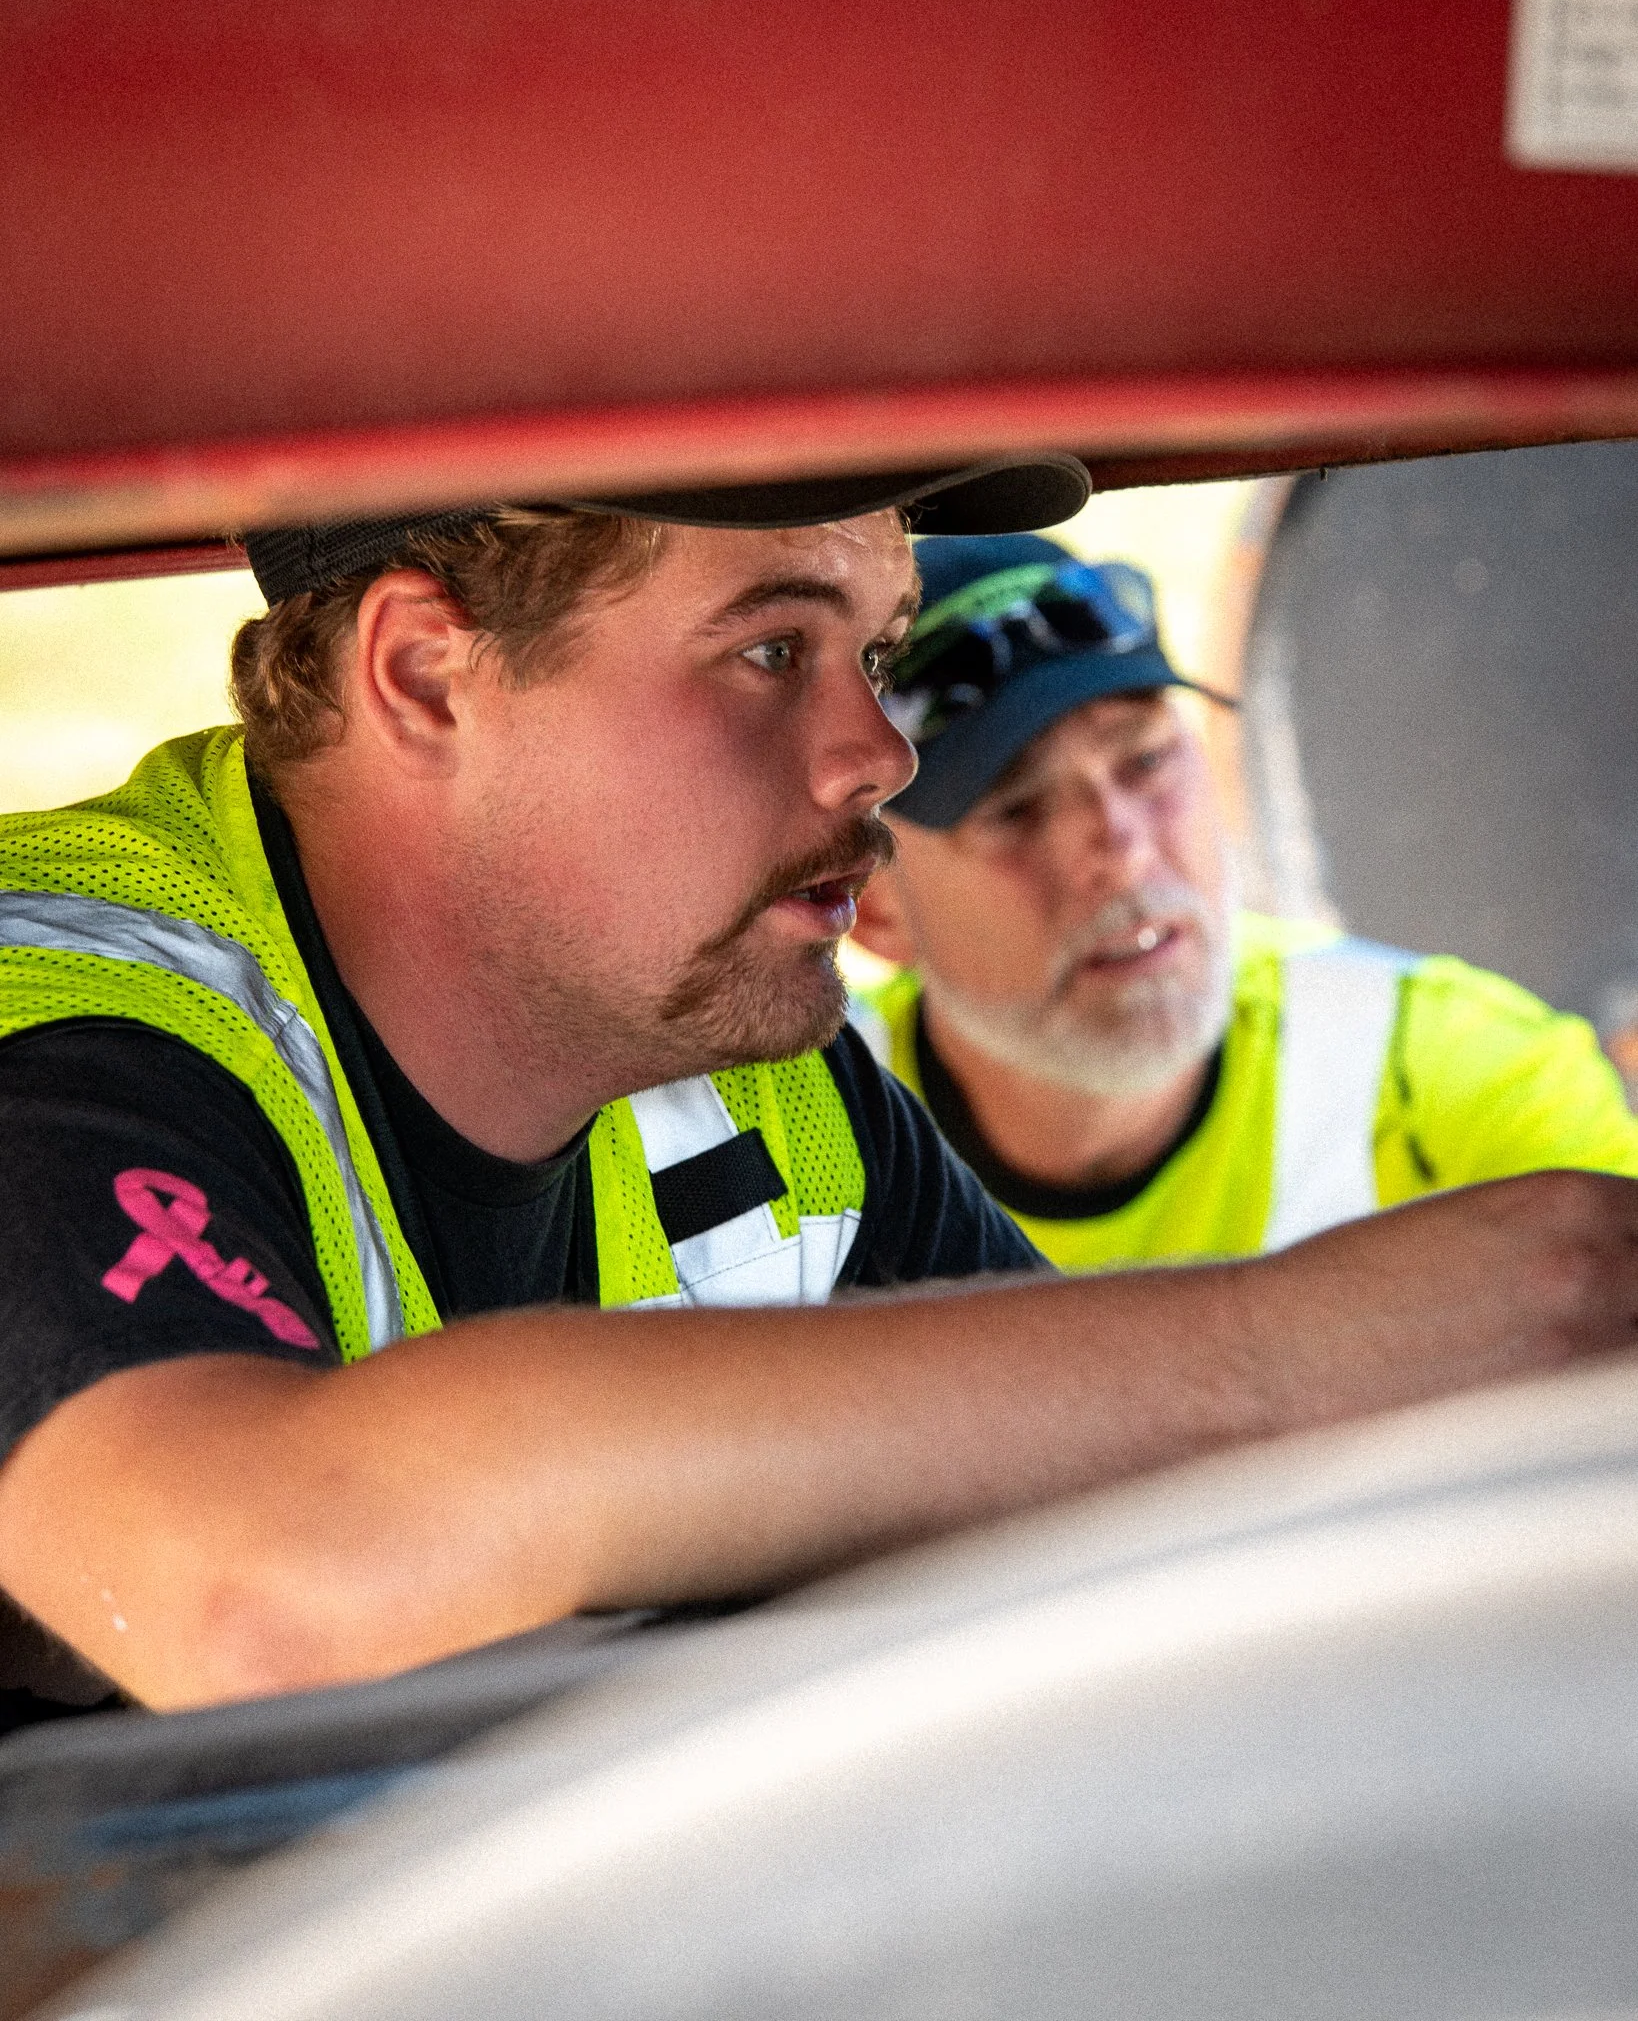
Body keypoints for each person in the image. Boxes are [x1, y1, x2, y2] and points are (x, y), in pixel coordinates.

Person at [1, 463, 1636, 1721]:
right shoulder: (64, 1027)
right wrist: (1286, 1348)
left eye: (876, 651)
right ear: (428, 674)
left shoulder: (750, 1084)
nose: (880, 751)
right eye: (770, 648)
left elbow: (1093, 1539)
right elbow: (259, 1581)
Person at [850, 533, 1638, 1269]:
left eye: (1147, 761)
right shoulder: (801, 1126)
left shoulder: (1457, 1076)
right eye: (1014, 811)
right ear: (875, 908)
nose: (1123, 849)